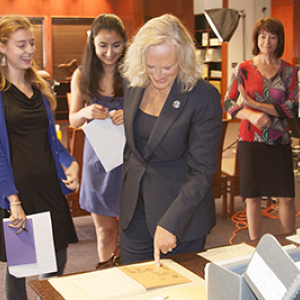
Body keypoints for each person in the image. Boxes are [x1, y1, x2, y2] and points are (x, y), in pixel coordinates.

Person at [119, 14, 223, 266]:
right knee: (133, 286)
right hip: (135, 212)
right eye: (151, 66)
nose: (157, 75)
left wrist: (171, 223)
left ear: (184, 59)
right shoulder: (134, 84)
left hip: (180, 216)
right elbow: (133, 150)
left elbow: (202, 171)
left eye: (167, 67)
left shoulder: (202, 96)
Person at [0, 15, 79, 300]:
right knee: (18, 268)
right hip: (18, 191)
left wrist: (71, 161)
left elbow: (52, 141)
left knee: (57, 257)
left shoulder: (40, 90)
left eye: (31, 43)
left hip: (48, 186)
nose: (29, 50)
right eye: (21, 44)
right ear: (2, 47)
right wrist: (13, 200)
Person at [224, 17, 299, 240]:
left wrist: (255, 104)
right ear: (256, 39)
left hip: (280, 141)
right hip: (250, 141)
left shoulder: (289, 72)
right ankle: (254, 244)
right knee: (252, 197)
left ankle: (291, 245)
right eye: (263, 36)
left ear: (279, 40)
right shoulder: (244, 69)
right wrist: (250, 115)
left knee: (286, 197)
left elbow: (292, 108)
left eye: (272, 37)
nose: (267, 41)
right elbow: (229, 103)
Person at [69, 13, 126, 267]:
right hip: (98, 162)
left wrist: (130, 113)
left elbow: (151, 114)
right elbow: (73, 119)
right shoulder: (82, 76)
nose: (109, 52)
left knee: (131, 232)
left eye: (116, 45)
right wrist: (85, 112)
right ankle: (109, 278)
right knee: (104, 232)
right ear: (92, 43)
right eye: (103, 45)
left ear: (124, 43)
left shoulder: (133, 75)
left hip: (129, 161)